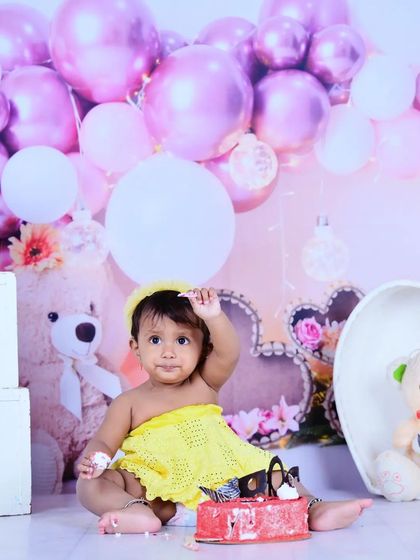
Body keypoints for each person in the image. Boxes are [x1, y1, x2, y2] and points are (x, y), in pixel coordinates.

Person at [76, 282, 372, 535]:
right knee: (90, 484)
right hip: (159, 494)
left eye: (182, 340)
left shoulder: (204, 383)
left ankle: (312, 509)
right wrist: (96, 458)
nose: (168, 352)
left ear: (203, 348)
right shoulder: (128, 402)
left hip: (228, 482)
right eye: (155, 339)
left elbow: (229, 352)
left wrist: (213, 316)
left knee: (273, 473)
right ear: (136, 346)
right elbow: (105, 440)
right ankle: (137, 514)